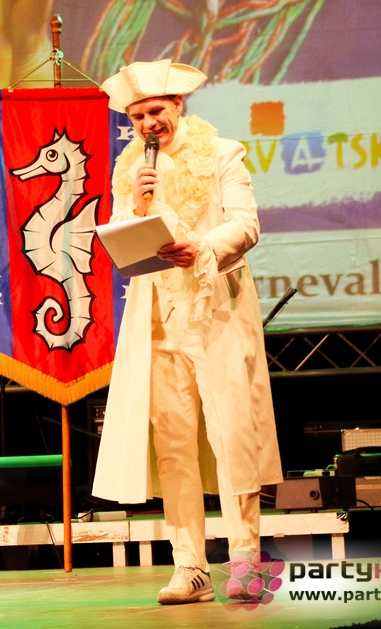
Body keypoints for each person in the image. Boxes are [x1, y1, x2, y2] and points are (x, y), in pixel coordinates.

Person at [93, 59, 283, 604]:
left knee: (231, 436)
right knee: (172, 442)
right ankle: (190, 567)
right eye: (137, 117)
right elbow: (121, 238)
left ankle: (245, 561)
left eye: (155, 111)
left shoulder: (222, 154)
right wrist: (137, 203)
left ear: (178, 105)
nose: (148, 124)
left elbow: (245, 225)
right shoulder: (131, 170)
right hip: (156, 312)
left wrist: (200, 247)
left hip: (214, 306)